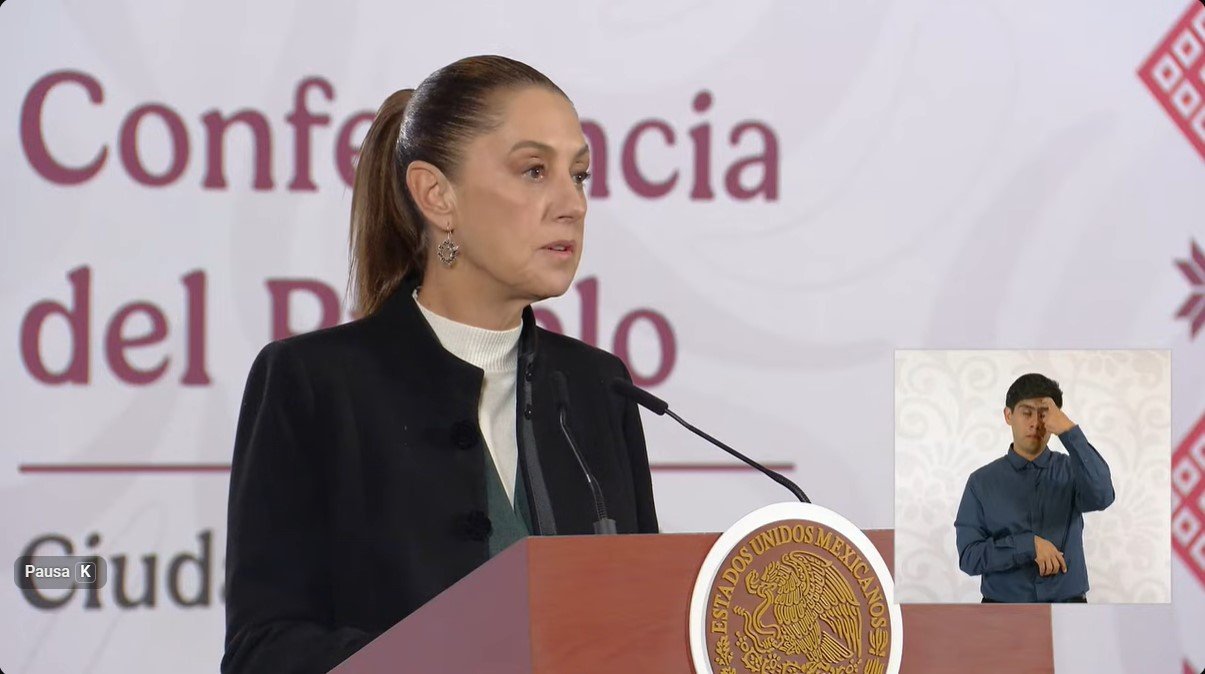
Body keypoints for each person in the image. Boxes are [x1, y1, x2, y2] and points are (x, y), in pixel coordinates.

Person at [220, 55, 660, 674]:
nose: (573, 204)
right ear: (436, 195)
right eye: (534, 170)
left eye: (579, 175)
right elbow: (262, 652)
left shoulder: (598, 387)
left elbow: (642, 629)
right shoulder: (314, 383)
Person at [954, 373, 1114, 603]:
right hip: (1002, 609)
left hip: (1069, 606)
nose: (1035, 423)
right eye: (1027, 413)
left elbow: (1103, 496)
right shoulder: (980, 482)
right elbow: (969, 557)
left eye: (1044, 414)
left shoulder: (1073, 471)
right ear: (1008, 415)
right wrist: (1027, 545)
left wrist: (1069, 431)